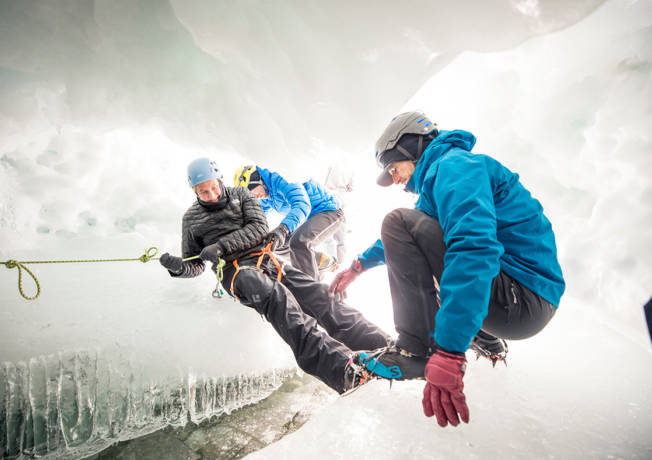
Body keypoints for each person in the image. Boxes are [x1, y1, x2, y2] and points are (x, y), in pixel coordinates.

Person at [329, 111, 565, 427]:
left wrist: (450, 350)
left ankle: (415, 351)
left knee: (398, 222)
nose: (394, 179)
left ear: (408, 148)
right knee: (412, 233)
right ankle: (488, 339)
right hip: (523, 301)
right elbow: (412, 244)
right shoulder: (446, 177)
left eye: (392, 168)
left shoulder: (455, 168)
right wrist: (359, 266)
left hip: (520, 300)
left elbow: (474, 251)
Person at [159, 157, 391, 395]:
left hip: (266, 259)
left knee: (320, 295)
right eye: (204, 192)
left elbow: (259, 228)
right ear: (195, 191)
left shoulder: (241, 195)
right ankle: (343, 369)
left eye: (214, 187)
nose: (213, 195)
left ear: (220, 180)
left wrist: (221, 246)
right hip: (237, 273)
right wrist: (178, 268)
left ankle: (382, 345)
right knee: (281, 302)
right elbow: (195, 263)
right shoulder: (191, 219)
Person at [233, 165, 344, 281]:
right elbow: (257, 218)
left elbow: (302, 205)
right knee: (274, 244)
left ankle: (310, 288)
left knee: (299, 242)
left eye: (252, 192)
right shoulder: (266, 195)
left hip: (329, 211)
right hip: (308, 219)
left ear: (257, 181)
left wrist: (283, 229)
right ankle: (320, 263)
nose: (255, 197)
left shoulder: (283, 178)